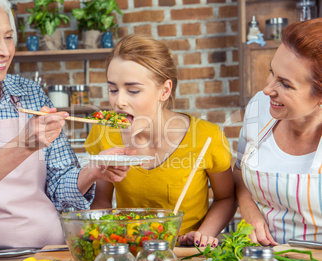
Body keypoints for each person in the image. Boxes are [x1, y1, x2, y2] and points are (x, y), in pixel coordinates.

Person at [0, 0, 133, 248]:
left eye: (8, 37)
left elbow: (59, 189)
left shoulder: (29, 92)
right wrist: (22, 145)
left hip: (48, 252)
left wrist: (92, 171)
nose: (5, 50)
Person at [84, 34, 237, 247]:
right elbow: (101, 200)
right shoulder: (103, 134)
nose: (118, 101)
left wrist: (202, 235)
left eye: (133, 90)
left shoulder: (207, 137)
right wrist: (99, 235)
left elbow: (226, 198)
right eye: (113, 89)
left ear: (164, 91)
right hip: (128, 250)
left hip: (184, 253)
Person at [234, 18, 322, 246]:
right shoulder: (259, 107)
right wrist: (248, 209)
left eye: (285, 84)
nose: (267, 89)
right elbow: (239, 170)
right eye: (271, 72)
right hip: (261, 257)